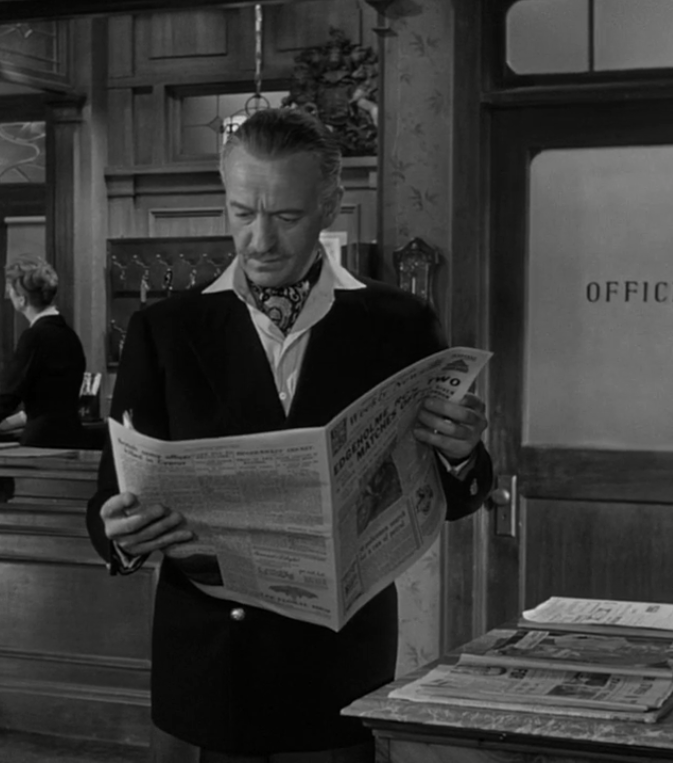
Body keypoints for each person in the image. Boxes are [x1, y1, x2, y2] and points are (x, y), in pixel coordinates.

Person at [85, 107, 495, 762]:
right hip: (209, 667)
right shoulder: (164, 330)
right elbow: (110, 497)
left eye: (286, 216)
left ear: (329, 205)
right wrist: (120, 533)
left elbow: (457, 498)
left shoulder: (399, 322)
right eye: (242, 212)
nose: (260, 240)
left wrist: (462, 453)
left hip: (336, 668)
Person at [0, 257, 87, 448]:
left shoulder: (34, 336)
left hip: (42, 440)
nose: (9, 294)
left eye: (11, 290)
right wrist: (3, 423)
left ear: (22, 299)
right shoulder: (69, 335)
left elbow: (11, 392)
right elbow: (48, 402)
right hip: (73, 436)